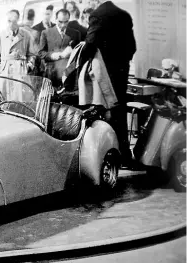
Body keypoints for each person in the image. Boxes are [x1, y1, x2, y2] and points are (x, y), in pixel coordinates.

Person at [79, 0, 137, 167]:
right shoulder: (124, 15)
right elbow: (132, 47)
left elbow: (90, 43)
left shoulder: (97, 15)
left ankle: (109, 157)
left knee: (103, 111)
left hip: (105, 71)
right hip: (121, 71)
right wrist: (122, 62)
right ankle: (125, 155)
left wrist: (80, 62)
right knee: (119, 110)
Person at [38, 9, 80, 89]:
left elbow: (78, 55)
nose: (63, 25)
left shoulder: (75, 33)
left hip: (68, 74)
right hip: (52, 74)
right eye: (60, 22)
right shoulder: (46, 32)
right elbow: (41, 53)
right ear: (55, 19)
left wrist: (72, 52)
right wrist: (52, 55)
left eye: (66, 22)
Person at [0, 9, 36, 75]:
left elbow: (32, 54)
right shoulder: (1, 36)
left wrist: (28, 67)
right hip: (5, 73)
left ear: (18, 20)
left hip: (21, 72)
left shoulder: (26, 35)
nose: (11, 23)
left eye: (14, 20)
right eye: (9, 20)